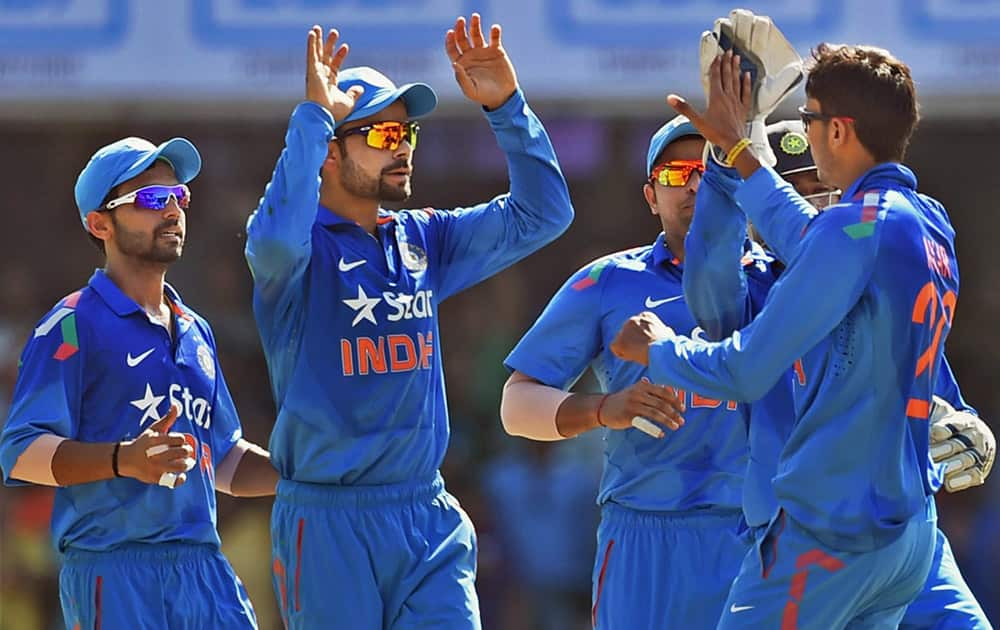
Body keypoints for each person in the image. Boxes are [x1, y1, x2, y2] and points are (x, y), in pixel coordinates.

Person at [611, 42, 958, 626]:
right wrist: (738, 151)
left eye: (812, 118)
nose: (808, 131)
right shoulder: (924, 218)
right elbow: (811, 236)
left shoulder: (851, 230)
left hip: (827, 534)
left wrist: (658, 349)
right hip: (904, 535)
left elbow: (746, 369)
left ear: (840, 131)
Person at [244, 16, 573, 629]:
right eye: (385, 132)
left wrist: (505, 105)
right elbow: (271, 239)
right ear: (332, 152)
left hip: (425, 511)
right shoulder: (295, 254)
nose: (403, 145)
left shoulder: (423, 237)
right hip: (328, 519)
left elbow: (543, 213)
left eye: (409, 133)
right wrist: (313, 119)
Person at [685, 118, 995, 629]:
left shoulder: (883, 286)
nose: (814, 206)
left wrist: (968, 427)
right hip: (805, 543)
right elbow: (707, 280)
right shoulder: (748, 293)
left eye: (824, 191)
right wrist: (724, 158)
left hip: (902, 533)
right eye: (797, 192)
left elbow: (938, 396)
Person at [0, 136, 278, 629]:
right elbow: (19, 453)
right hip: (114, 570)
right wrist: (123, 459)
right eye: (151, 199)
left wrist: (306, 473)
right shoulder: (69, 325)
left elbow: (223, 460)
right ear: (99, 223)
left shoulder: (196, 329)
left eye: (179, 198)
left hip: (205, 571)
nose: (172, 210)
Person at [499, 114, 752, 629]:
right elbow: (516, 405)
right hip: (642, 534)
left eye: (712, 167)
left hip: (756, 532)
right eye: (677, 173)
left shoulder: (779, 276)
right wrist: (603, 409)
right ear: (650, 195)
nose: (696, 184)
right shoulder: (607, 281)